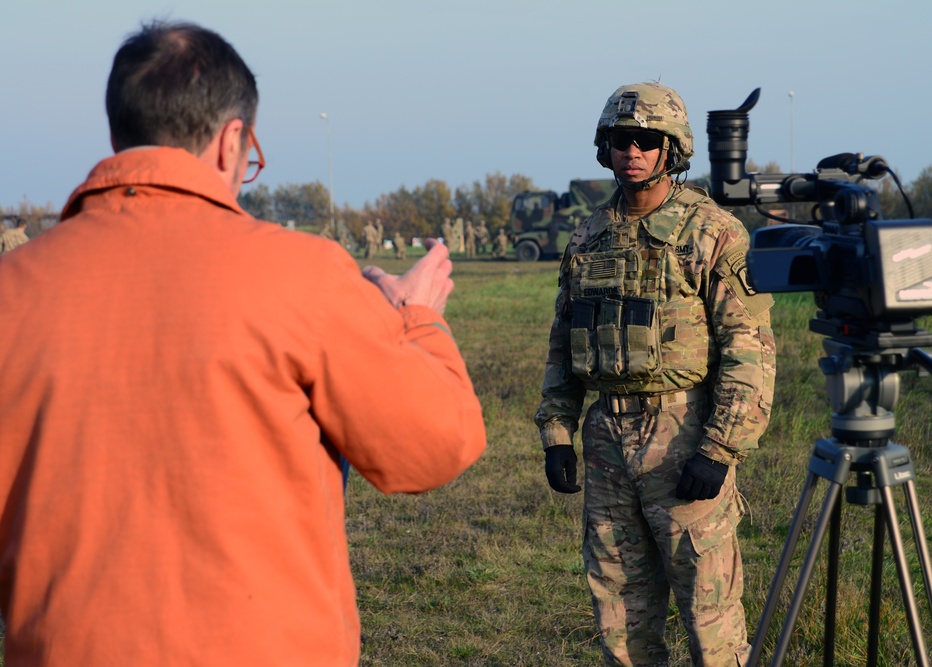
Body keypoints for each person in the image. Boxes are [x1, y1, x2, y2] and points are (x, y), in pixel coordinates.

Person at [0, 20, 486, 666]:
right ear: (233, 142)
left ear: (118, 134)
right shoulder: (303, 274)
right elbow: (433, 445)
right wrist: (415, 317)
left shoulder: (13, 291)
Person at [534, 81, 776, 667]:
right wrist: (557, 434)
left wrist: (720, 448)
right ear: (605, 147)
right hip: (607, 441)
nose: (632, 151)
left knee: (708, 610)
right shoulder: (589, 234)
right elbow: (563, 343)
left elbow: (750, 348)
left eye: (646, 140)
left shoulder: (711, 231)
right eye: (621, 140)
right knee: (618, 607)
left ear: (672, 149)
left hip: (682, 431)